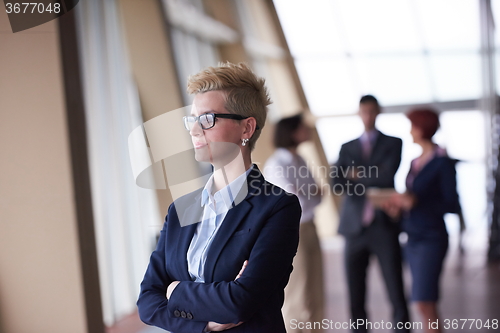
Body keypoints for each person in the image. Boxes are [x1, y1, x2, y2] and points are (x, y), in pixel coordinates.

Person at [137, 62, 302, 333]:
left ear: (246, 128)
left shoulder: (277, 207)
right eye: (192, 119)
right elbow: (147, 301)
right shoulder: (181, 209)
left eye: (207, 119)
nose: (193, 130)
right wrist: (206, 325)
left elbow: (240, 302)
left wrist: (175, 290)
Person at [332, 95, 410, 333]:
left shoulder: (394, 143)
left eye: (371, 111)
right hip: (354, 227)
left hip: (383, 226)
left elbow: (386, 176)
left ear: (378, 112)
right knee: (355, 293)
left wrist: (354, 175)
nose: (367, 116)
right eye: (363, 111)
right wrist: (366, 176)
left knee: (395, 288)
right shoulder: (347, 147)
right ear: (359, 113)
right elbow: (336, 182)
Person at [385, 108, 460, 333]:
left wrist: (416, 202)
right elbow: (411, 200)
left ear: (421, 128)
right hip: (413, 237)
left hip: (431, 237)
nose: (410, 131)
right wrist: (398, 208)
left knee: (424, 302)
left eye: (412, 126)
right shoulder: (415, 162)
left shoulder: (442, 163)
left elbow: (452, 204)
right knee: (423, 302)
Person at [264, 114, 324, 333]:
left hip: (309, 226)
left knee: (315, 290)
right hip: (292, 230)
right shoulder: (277, 164)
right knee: (297, 292)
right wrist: (309, 192)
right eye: (303, 127)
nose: (308, 130)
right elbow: (294, 198)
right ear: (292, 132)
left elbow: (318, 195)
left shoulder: (299, 160)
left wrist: (307, 192)